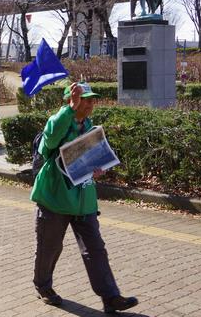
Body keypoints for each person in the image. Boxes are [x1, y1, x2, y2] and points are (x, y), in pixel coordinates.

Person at [31, 81, 138, 314]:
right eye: (84, 100)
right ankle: (43, 286)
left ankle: (110, 297)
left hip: (84, 200)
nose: (90, 104)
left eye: (91, 100)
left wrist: (98, 167)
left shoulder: (89, 126)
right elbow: (49, 142)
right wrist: (69, 109)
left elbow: (88, 159)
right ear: (71, 101)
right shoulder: (57, 122)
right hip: (55, 199)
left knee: (95, 249)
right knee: (50, 247)